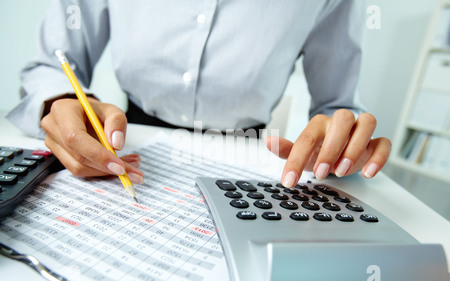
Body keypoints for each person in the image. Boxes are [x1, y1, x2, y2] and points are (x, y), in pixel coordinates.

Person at [7, 0, 391, 188]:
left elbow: (337, 105)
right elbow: (50, 66)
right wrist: (64, 102)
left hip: (251, 162)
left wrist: (342, 139)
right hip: (125, 144)